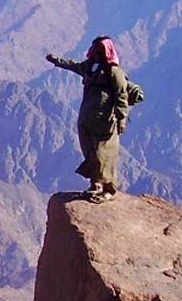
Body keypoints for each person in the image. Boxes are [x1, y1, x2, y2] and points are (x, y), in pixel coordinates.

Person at [45, 36, 129, 203]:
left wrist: (121, 119)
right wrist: (56, 61)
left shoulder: (114, 72)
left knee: (103, 154)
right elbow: (72, 65)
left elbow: (121, 96)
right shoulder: (90, 68)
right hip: (87, 118)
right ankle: (96, 184)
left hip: (105, 120)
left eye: (100, 50)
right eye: (96, 50)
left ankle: (109, 188)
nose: (97, 53)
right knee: (90, 152)